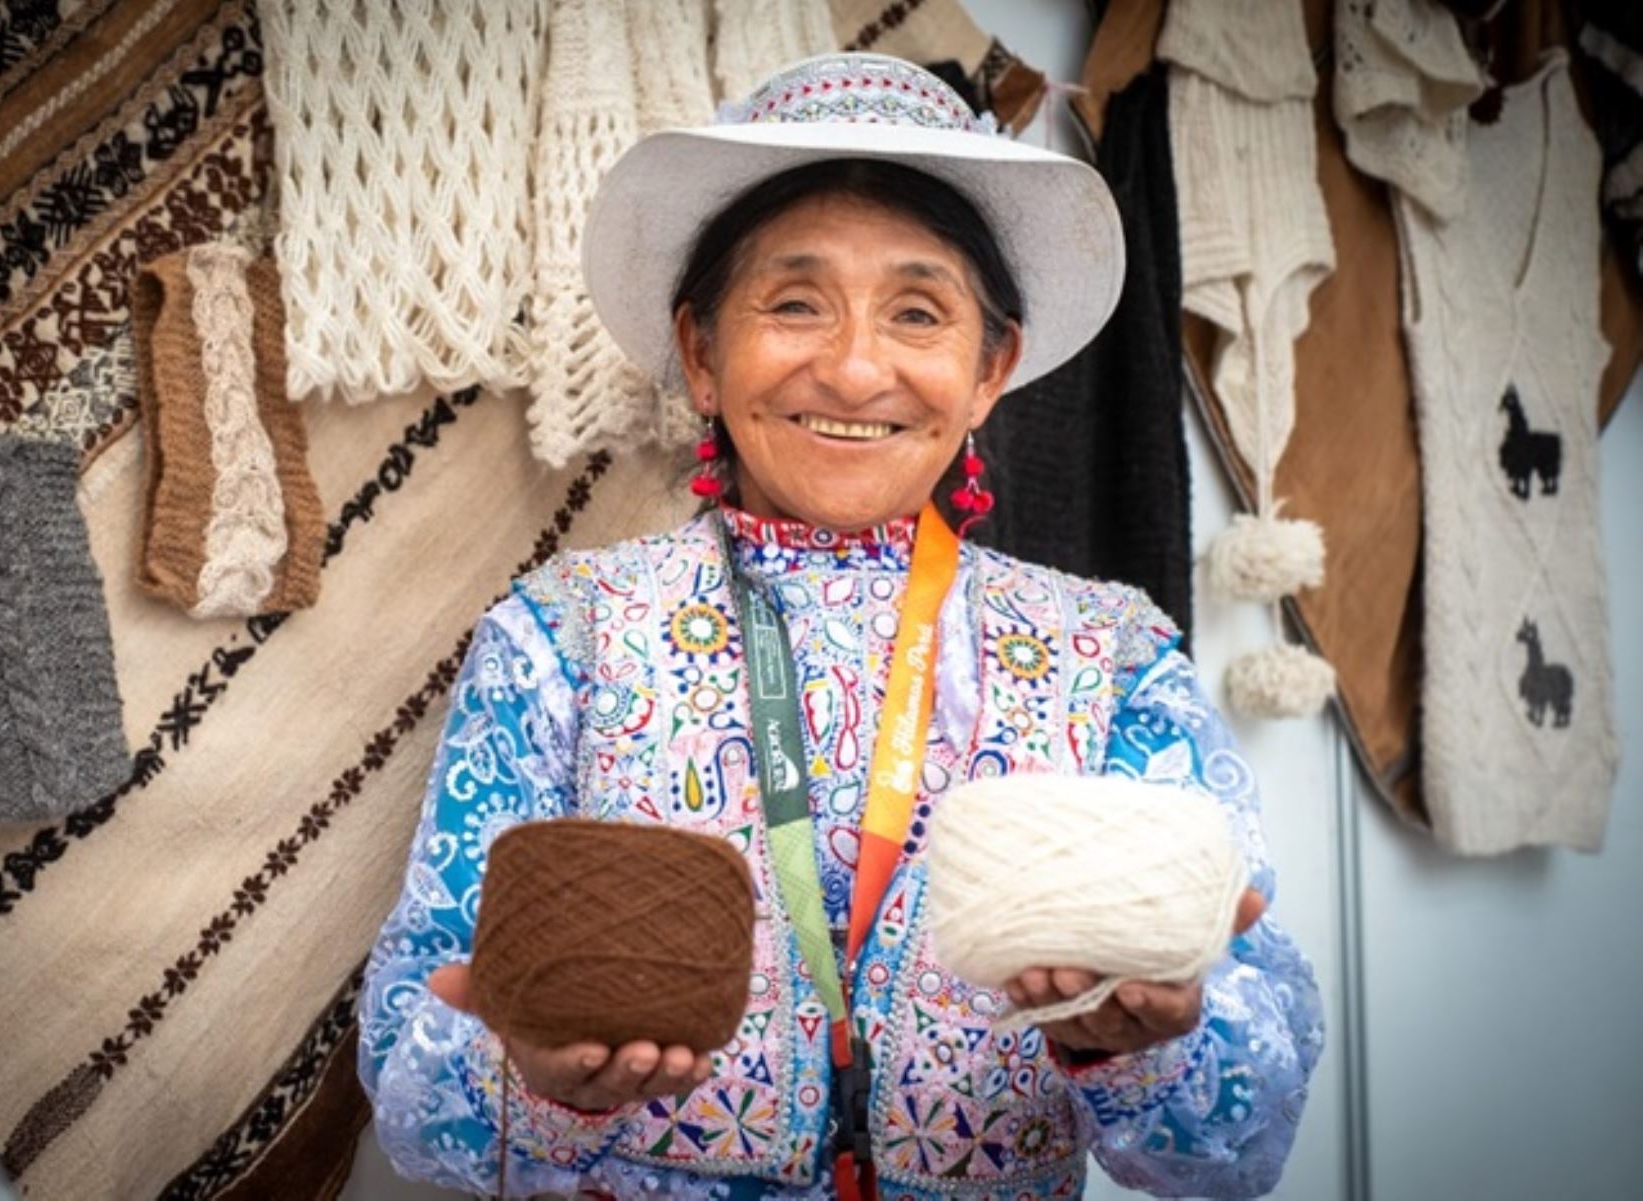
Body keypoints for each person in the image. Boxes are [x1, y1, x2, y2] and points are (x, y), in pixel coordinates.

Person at [358, 52, 1322, 1200]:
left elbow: (1240, 1144)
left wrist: (1144, 1039)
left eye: (918, 312)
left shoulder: (1110, 664)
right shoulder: (563, 641)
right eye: (795, 302)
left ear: (988, 369)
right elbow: (420, 1097)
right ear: (704, 354)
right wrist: (545, 1079)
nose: (856, 366)